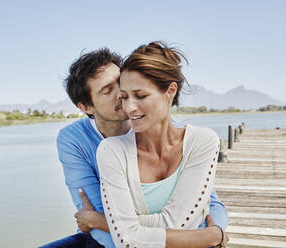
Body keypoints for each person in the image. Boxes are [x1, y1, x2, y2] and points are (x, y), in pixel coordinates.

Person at [40, 47, 227, 248]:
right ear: (86, 107)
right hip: (108, 240)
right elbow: (107, 220)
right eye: (107, 91)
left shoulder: (160, 126)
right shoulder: (75, 140)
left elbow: (207, 201)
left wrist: (216, 232)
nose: (122, 95)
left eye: (120, 83)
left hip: (171, 236)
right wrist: (121, 232)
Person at [96, 41, 229, 248]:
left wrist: (115, 223)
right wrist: (211, 236)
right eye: (124, 97)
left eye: (141, 96)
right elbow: (126, 241)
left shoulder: (202, 142)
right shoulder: (111, 151)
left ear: (170, 90)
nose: (130, 107)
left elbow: (179, 225)